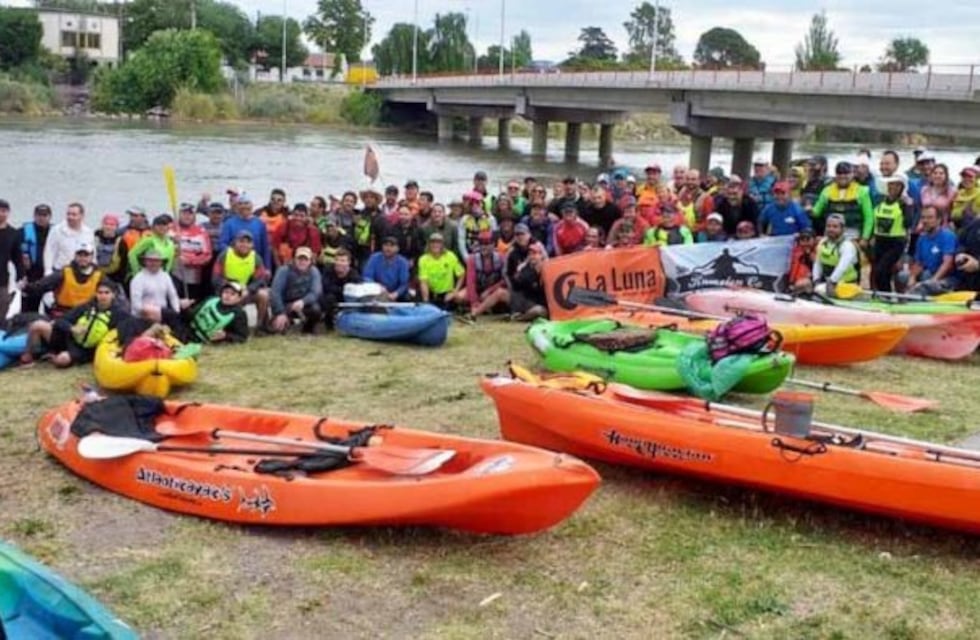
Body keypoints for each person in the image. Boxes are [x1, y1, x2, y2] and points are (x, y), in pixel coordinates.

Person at [20, 280, 127, 368]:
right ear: (96, 293)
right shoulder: (86, 306)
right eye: (100, 292)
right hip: (69, 338)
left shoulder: (119, 314)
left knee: (61, 361)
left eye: (107, 293)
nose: (103, 296)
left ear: (113, 295)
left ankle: (51, 356)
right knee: (37, 325)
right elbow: (61, 320)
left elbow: (127, 332)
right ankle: (29, 357)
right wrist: (72, 328)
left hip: (85, 350)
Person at [212, 229, 272, 327]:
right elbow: (215, 278)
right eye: (241, 241)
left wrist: (249, 289)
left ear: (252, 245)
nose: (244, 245)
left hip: (245, 291)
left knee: (263, 294)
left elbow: (261, 279)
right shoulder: (224, 255)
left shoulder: (256, 258)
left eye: (248, 242)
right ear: (235, 242)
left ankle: (261, 326)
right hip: (227, 291)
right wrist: (232, 289)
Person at [24, 243, 102, 317]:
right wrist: (26, 287)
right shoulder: (63, 273)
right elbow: (41, 285)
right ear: (75, 256)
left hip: (86, 314)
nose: (82, 258)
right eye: (80, 255)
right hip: (63, 312)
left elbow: (112, 292)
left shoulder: (99, 276)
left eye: (86, 255)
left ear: (92, 257)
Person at [811, 161, 874, 245]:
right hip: (830, 231)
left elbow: (869, 217)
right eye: (839, 173)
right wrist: (809, 210)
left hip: (851, 232)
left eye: (846, 173)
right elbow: (816, 212)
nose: (842, 176)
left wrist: (865, 238)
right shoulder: (827, 191)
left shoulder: (862, 191)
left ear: (852, 174)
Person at [171, 281, 249, 345]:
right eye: (226, 292)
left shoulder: (239, 314)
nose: (227, 296)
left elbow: (242, 337)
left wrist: (225, 336)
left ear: (239, 298)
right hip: (189, 331)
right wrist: (185, 309)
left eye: (232, 294)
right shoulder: (211, 300)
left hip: (203, 341)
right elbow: (192, 315)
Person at [870, 175, 913, 292]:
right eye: (891, 184)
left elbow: (908, 223)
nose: (893, 187)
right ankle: (884, 294)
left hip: (896, 243)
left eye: (897, 185)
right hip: (879, 241)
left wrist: (908, 207)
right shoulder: (880, 202)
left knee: (882, 270)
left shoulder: (904, 203)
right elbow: (874, 220)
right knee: (878, 273)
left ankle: (889, 294)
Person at [902, 206, 958, 294]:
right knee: (903, 276)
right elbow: (919, 263)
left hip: (946, 278)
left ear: (939, 220)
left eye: (930, 217)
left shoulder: (948, 236)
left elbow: (947, 264)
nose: (925, 221)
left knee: (926, 279)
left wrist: (933, 281)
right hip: (927, 274)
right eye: (923, 217)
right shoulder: (921, 238)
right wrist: (912, 278)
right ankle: (902, 298)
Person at [269, 246, 323, 334]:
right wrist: (280, 312)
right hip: (286, 305)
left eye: (306, 259)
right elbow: (276, 293)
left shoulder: (314, 272)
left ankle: (308, 328)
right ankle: (284, 321)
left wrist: (303, 301)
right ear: (294, 259)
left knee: (316, 309)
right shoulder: (283, 270)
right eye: (299, 259)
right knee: (277, 330)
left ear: (310, 261)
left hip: (304, 305)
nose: (302, 262)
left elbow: (315, 292)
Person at [217, 195, 272, 270]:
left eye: (246, 203)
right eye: (240, 204)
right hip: (234, 264)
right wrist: (237, 252)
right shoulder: (229, 223)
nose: (244, 206)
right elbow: (221, 244)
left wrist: (267, 268)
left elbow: (265, 248)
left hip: (255, 265)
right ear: (236, 207)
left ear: (252, 205)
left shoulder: (260, 224)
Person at [173, 205, 213, 303]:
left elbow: (207, 255)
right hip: (173, 274)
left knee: (191, 301)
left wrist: (190, 261)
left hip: (193, 276)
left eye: (190, 214)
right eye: (184, 213)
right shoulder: (171, 229)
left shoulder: (201, 232)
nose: (187, 216)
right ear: (179, 215)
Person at [812, 214, 859, 296]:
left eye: (835, 227)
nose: (831, 229)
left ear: (842, 229)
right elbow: (817, 263)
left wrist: (832, 282)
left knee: (819, 290)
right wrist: (816, 280)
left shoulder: (847, 245)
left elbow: (842, 267)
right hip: (828, 284)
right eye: (828, 226)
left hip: (847, 285)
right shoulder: (822, 242)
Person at [18, 203, 53, 314]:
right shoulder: (23, 231)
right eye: (39, 215)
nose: (41, 218)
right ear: (34, 216)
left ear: (49, 217)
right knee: (28, 310)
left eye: (44, 215)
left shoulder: (56, 232)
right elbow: (14, 252)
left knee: (51, 308)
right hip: (31, 275)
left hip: (50, 276)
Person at [130, 249, 182, 323]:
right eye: (150, 260)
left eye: (156, 261)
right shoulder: (138, 279)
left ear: (161, 262)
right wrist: (153, 312)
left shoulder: (165, 276)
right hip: (143, 318)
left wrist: (176, 312)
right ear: (145, 262)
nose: (153, 263)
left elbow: (173, 296)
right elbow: (136, 305)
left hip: (163, 315)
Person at [417, 233, 466, 308]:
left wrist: (455, 291)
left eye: (438, 242)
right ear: (429, 244)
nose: (435, 245)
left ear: (443, 244)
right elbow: (423, 282)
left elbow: (461, 274)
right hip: (431, 293)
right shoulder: (423, 259)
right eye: (433, 242)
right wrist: (426, 300)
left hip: (446, 294)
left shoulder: (450, 256)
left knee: (455, 300)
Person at [43, 202, 94, 275]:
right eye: (68, 214)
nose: (70, 217)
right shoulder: (57, 230)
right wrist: (48, 270)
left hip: (81, 272)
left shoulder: (88, 232)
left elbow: (92, 254)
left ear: (82, 216)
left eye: (74, 214)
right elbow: (49, 251)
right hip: (60, 271)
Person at [320, 248, 362, 329]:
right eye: (337, 260)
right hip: (331, 299)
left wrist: (339, 290)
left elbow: (356, 291)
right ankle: (329, 322)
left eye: (343, 261)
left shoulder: (354, 274)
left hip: (347, 300)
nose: (339, 263)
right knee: (328, 298)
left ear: (349, 262)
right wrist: (343, 289)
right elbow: (325, 287)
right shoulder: (328, 270)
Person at [508, 242, 548, 322]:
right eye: (530, 254)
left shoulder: (548, 269)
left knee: (541, 311)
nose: (532, 256)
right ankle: (519, 318)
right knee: (538, 310)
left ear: (541, 255)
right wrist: (519, 271)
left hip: (544, 305)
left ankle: (520, 316)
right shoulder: (525, 270)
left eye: (535, 254)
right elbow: (516, 285)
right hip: (529, 303)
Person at [0, 199, 25, 325]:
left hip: (3, 281)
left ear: (8, 213)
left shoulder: (13, 233)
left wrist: (21, 276)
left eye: (4, 211)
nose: (1, 214)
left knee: (3, 312)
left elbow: (18, 259)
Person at [363, 236, 411, 301]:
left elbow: (404, 283)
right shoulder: (374, 258)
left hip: (396, 294)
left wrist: (396, 294)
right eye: (385, 245)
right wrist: (378, 287)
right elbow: (367, 277)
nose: (388, 248)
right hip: (377, 291)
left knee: (407, 296)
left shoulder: (403, 262)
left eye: (392, 246)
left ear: (397, 248)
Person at [93, 214, 125, 282]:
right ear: (102, 225)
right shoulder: (94, 237)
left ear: (117, 227)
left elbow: (123, 262)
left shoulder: (121, 241)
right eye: (106, 224)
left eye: (112, 225)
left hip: (114, 275)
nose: (108, 227)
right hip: (95, 273)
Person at [788, 228, 818, 294]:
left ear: (814, 240)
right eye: (802, 240)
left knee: (802, 283)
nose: (805, 243)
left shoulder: (818, 252)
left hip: (812, 285)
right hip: (793, 285)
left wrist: (809, 255)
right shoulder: (795, 252)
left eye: (808, 240)